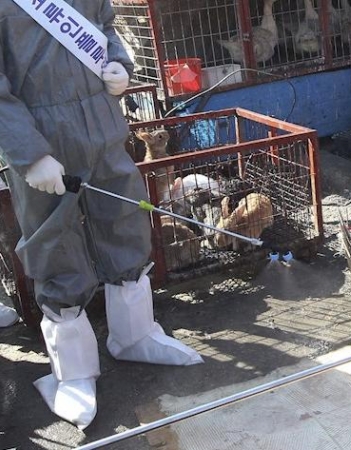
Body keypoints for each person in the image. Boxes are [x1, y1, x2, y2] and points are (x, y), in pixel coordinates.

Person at [0, 0, 203, 429]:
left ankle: (136, 334)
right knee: (54, 242)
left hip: (103, 123)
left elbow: (105, 27)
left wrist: (119, 63)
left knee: (124, 220)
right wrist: (29, 153)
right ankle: (71, 373)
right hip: (41, 134)